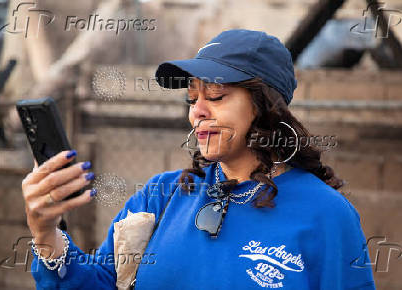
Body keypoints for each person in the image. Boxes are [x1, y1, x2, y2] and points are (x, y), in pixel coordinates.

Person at [22, 29, 376, 289]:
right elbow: (95, 283)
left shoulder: (327, 215)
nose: (197, 113)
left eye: (217, 95)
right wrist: (45, 234)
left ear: (267, 106)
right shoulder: (160, 197)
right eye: (193, 98)